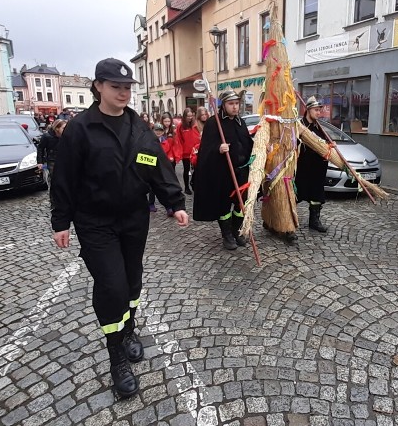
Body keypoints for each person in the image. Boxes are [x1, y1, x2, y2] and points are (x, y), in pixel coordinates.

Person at [51, 58, 188, 400]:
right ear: (98, 86)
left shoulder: (139, 128)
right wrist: (60, 221)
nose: (123, 92)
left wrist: (175, 202)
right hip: (94, 222)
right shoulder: (81, 129)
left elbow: (157, 166)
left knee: (132, 280)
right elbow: (63, 178)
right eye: (116, 86)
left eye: (127, 87)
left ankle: (128, 330)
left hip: (133, 218)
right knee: (112, 286)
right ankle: (116, 356)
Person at [193, 90, 254, 250]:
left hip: (241, 171)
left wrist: (259, 148)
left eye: (236, 103)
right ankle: (226, 234)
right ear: (224, 105)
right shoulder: (215, 123)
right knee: (224, 205)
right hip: (223, 172)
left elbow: (246, 143)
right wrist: (218, 148)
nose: (235, 107)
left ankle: (236, 230)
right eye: (231, 104)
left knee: (241, 204)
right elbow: (205, 149)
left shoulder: (241, 122)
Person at [295, 96, 330, 233]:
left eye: (319, 110)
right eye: (316, 110)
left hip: (318, 169)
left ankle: (314, 221)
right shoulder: (300, 126)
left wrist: (330, 146)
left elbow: (325, 144)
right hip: (303, 169)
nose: (318, 113)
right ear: (308, 110)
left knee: (317, 196)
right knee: (296, 194)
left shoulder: (319, 127)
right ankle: (288, 220)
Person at [174, 108, 200, 195]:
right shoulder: (181, 126)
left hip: (195, 151)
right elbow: (179, 140)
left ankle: (193, 183)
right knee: (186, 170)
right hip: (186, 153)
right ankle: (186, 188)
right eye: (188, 116)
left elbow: (198, 137)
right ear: (184, 116)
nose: (190, 118)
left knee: (197, 169)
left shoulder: (195, 125)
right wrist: (180, 152)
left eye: (191, 116)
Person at [37, 119, 66, 186]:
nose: (65, 130)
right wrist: (40, 162)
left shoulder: (66, 136)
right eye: (63, 128)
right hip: (52, 160)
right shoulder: (47, 136)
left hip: (64, 160)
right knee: (54, 179)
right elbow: (40, 148)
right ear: (57, 128)